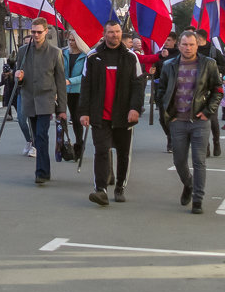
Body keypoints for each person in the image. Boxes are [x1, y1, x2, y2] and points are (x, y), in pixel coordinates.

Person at [78, 18, 145, 206]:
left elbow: (138, 85)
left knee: (123, 153)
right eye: (110, 32)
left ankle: (120, 187)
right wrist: (84, 112)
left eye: (117, 32)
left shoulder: (131, 57)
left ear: (121, 34)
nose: (114, 35)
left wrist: (135, 108)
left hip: (123, 115)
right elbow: (86, 85)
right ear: (104, 34)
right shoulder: (93, 56)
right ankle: (100, 190)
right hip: (100, 115)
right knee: (101, 151)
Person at [157, 30, 223, 214]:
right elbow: (162, 91)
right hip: (177, 121)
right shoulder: (169, 65)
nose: (188, 48)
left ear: (197, 45)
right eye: (184, 44)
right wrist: (168, 113)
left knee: (199, 161)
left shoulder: (208, 64)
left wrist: (207, 112)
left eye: (191, 44)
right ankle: (188, 184)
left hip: (200, 121)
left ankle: (198, 199)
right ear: (179, 46)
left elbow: (218, 90)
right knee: (179, 161)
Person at [14, 18, 69, 186]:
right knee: (37, 139)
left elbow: (60, 82)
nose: (36, 35)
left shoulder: (55, 53)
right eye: (33, 32)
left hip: (46, 100)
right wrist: (19, 79)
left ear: (46, 32)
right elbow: (18, 82)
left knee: (41, 135)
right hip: (29, 100)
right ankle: (44, 170)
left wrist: (62, 109)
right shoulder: (23, 52)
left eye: (39, 32)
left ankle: (42, 172)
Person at [152, 32, 181, 153]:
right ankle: (170, 135)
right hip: (162, 90)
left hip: (177, 91)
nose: (166, 42)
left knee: (175, 117)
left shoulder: (180, 54)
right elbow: (155, 72)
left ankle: (174, 140)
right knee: (163, 119)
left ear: (174, 41)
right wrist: (151, 71)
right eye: (164, 40)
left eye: (168, 40)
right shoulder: (160, 55)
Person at [63, 31, 88, 160]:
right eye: (70, 40)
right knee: (61, 117)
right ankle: (64, 145)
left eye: (74, 40)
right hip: (63, 90)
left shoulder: (85, 56)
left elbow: (85, 75)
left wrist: (70, 81)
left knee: (76, 118)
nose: (71, 43)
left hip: (78, 91)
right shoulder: (63, 53)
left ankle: (79, 144)